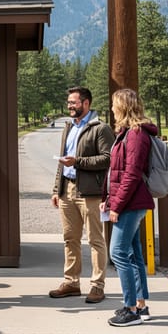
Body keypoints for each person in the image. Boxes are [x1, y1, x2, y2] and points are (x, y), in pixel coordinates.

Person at [49, 86, 114, 304]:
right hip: (67, 190)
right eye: (69, 102)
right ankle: (71, 282)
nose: (70, 106)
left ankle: (97, 286)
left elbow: (108, 158)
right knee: (70, 238)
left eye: (73, 102)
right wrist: (56, 189)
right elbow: (62, 161)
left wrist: (78, 162)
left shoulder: (100, 128)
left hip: (90, 193)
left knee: (95, 240)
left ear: (86, 103)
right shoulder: (69, 127)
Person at [102, 88, 155, 327]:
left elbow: (131, 175)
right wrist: (107, 198)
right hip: (128, 202)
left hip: (131, 203)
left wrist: (116, 205)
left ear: (123, 107)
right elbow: (116, 172)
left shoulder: (135, 135)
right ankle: (140, 305)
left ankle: (130, 310)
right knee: (133, 254)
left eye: (115, 104)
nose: (112, 108)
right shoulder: (127, 133)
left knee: (118, 253)